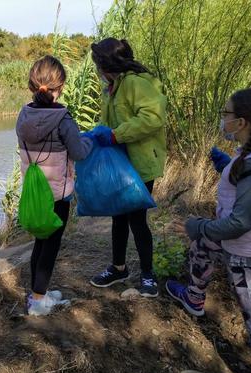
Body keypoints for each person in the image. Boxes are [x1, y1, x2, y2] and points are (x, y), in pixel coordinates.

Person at [166, 88, 251, 373]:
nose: (222, 119)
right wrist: (227, 165)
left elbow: (241, 221)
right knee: (203, 245)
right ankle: (194, 297)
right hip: (244, 243)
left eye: (225, 114)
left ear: (242, 122)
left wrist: (196, 225)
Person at [88, 38, 167, 297]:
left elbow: (152, 118)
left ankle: (147, 275)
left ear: (106, 64)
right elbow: (108, 122)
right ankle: (118, 268)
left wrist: (114, 135)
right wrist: (95, 135)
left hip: (139, 162)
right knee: (118, 216)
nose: (97, 70)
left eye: (97, 64)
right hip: (120, 163)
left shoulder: (135, 83)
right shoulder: (112, 88)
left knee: (137, 219)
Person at [16, 55, 93, 316]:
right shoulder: (63, 120)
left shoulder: (23, 116)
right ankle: (38, 301)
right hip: (58, 196)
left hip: (34, 194)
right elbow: (80, 152)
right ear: (59, 88)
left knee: (40, 241)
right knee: (50, 246)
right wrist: (90, 141)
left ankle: (38, 292)